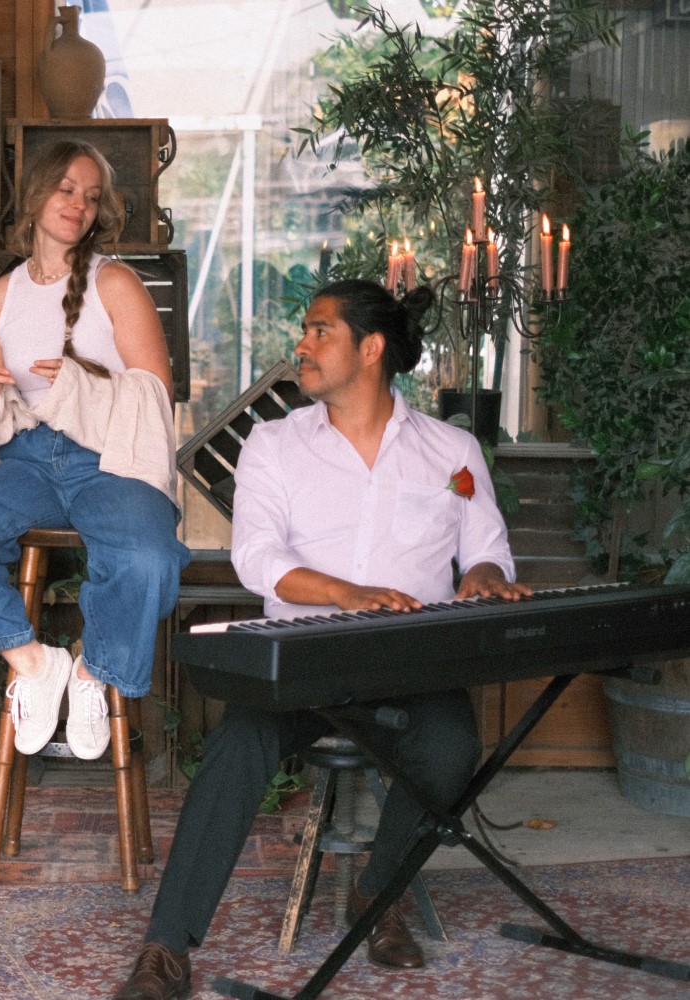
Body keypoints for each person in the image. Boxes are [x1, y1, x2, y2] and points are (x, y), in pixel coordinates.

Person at [111, 279, 533, 1000]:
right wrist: (346, 593)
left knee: (450, 745)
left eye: (318, 332)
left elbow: (485, 546)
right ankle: (166, 950)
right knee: (238, 747)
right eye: (303, 331)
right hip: (301, 659)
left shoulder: (452, 450)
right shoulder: (273, 446)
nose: (300, 346)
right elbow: (258, 559)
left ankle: (378, 893)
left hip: (410, 660)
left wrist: (487, 578)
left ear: (370, 349)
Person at [0, 140, 190, 763]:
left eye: (91, 196)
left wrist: (77, 387)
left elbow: (153, 397)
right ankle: (34, 662)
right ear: (35, 195)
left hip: (109, 463)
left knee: (147, 557)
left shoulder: (115, 282)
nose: (78, 205)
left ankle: (93, 673)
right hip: (28, 460)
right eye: (66, 188)